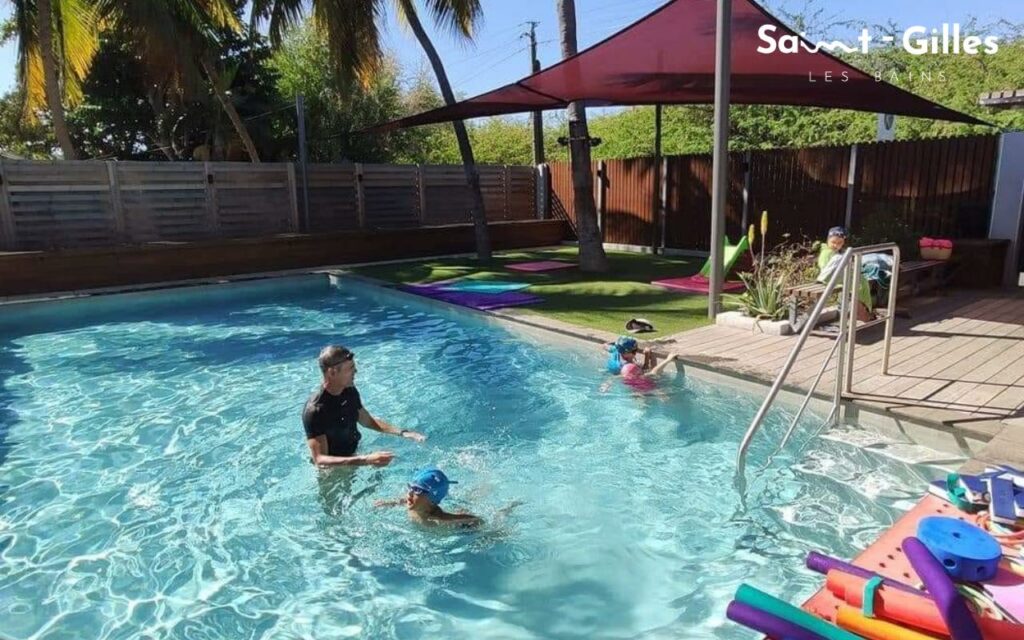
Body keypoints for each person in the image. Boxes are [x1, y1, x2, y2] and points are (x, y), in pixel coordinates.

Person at [302, 345, 425, 468]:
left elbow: (368, 421)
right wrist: (366, 460)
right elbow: (320, 460)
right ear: (332, 372)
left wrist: (403, 433)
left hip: (355, 456)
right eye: (351, 368)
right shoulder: (315, 410)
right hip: (332, 471)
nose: (356, 371)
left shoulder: (349, 391)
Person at [374, 467, 482, 527]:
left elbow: (476, 519)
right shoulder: (412, 502)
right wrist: (390, 503)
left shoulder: (438, 519)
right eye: (410, 487)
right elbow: (402, 500)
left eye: (417, 490)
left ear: (431, 500)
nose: (410, 493)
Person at [817, 226, 874, 322]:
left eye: (839, 243)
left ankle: (864, 310)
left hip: (836, 277)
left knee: (861, 280)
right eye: (833, 242)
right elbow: (826, 270)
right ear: (828, 240)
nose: (836, 245)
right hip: (829, 279)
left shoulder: (836, 252)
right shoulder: (827, 253)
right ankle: (864, 312)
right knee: (858, 284)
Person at [603, 336, 679, 392]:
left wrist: (615, 344)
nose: (636, 352)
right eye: (635, 351)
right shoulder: (627, 365)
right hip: (644, 388)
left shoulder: (616, 350)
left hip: (629, 383)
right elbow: (651, 371)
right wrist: (647, 356)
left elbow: (605, 346)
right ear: (627, 352)